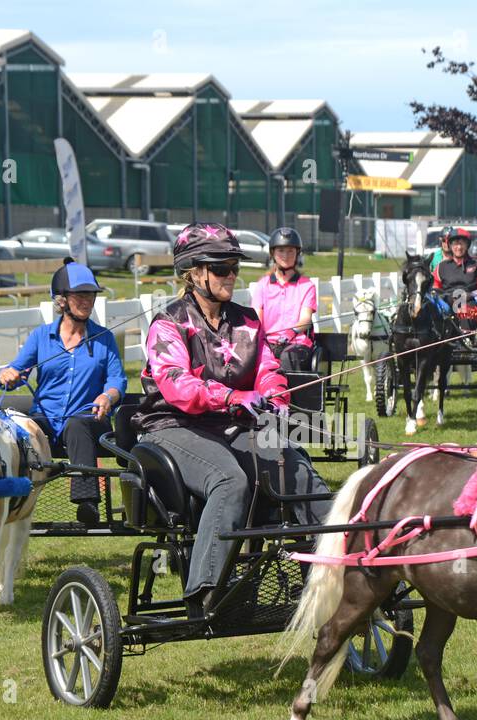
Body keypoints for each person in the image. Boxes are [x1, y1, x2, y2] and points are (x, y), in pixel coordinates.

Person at [132, 223, 332, 618]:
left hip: (230, 425)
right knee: (230, 479)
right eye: (221, 268)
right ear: (195, 272)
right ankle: (206, 590)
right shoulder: (169, 324)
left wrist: (274, 393)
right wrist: (230, 396)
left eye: (234, 267)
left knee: (295, 466)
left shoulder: (247, 320)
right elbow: (176, 385)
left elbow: (267, 368)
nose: (231, 276)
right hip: (173, 427)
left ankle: (339, 563)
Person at [0, 259, 126, 525]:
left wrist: (108, 396)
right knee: (24, 429)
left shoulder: (104, 339)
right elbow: (16, 370)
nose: (87, 301)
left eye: (90, 295)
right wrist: (9, 375)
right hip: (47, 421)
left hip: (88, 422)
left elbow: (117, 380)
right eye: (80, 295)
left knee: (77, 425)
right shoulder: (41, 337)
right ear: (62, 300)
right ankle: (10, 497)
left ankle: (87, 503)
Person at [251, 226, 317, 372]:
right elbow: (257, 319)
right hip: (268, 344)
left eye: (290, 251)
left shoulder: (307, 285)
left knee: (288, 357)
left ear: (297, 253)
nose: (286, 255)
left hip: (297, 345)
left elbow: (305, 319)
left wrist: (291, 332)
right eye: (281, 250)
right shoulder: (263, 285)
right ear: (272, 253)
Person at [432, 227, 477, 311]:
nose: (459, 247)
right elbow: (435, 289)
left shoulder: (476, 265)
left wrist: (470, 294)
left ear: (467, 245)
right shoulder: (441, 267)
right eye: (455, 243)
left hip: (470, 306)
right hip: (447, 306)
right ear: (450, 245)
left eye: (462, 243)